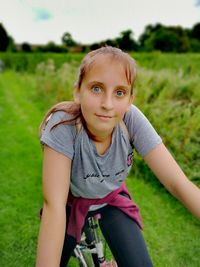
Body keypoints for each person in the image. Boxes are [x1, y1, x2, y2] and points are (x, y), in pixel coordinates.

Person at [36, 46, 200, 267]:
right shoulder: (62, 126)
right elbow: (53, 206)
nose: (108, 104)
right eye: (96, 88)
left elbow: (178, 183)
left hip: (110, 198)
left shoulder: (131, 121)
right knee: (58, 255)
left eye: (120, 92)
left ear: (130, 99)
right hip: (69, 203)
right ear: (77, 91)